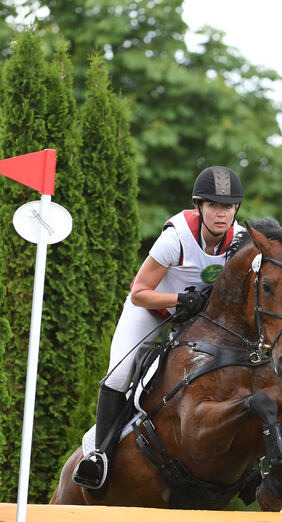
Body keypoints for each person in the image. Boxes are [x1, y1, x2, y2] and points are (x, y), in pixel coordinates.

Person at [73, 165, 246, 489]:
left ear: (236, 209)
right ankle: (99, 455)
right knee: (120, 375)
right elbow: (139, 293)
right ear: (199, 207)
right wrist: (180, 299)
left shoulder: (240, 241)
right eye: (213, 206)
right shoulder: (176, 238)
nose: (221, 214)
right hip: (153, 314)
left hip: (199, 327)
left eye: (228, 207)